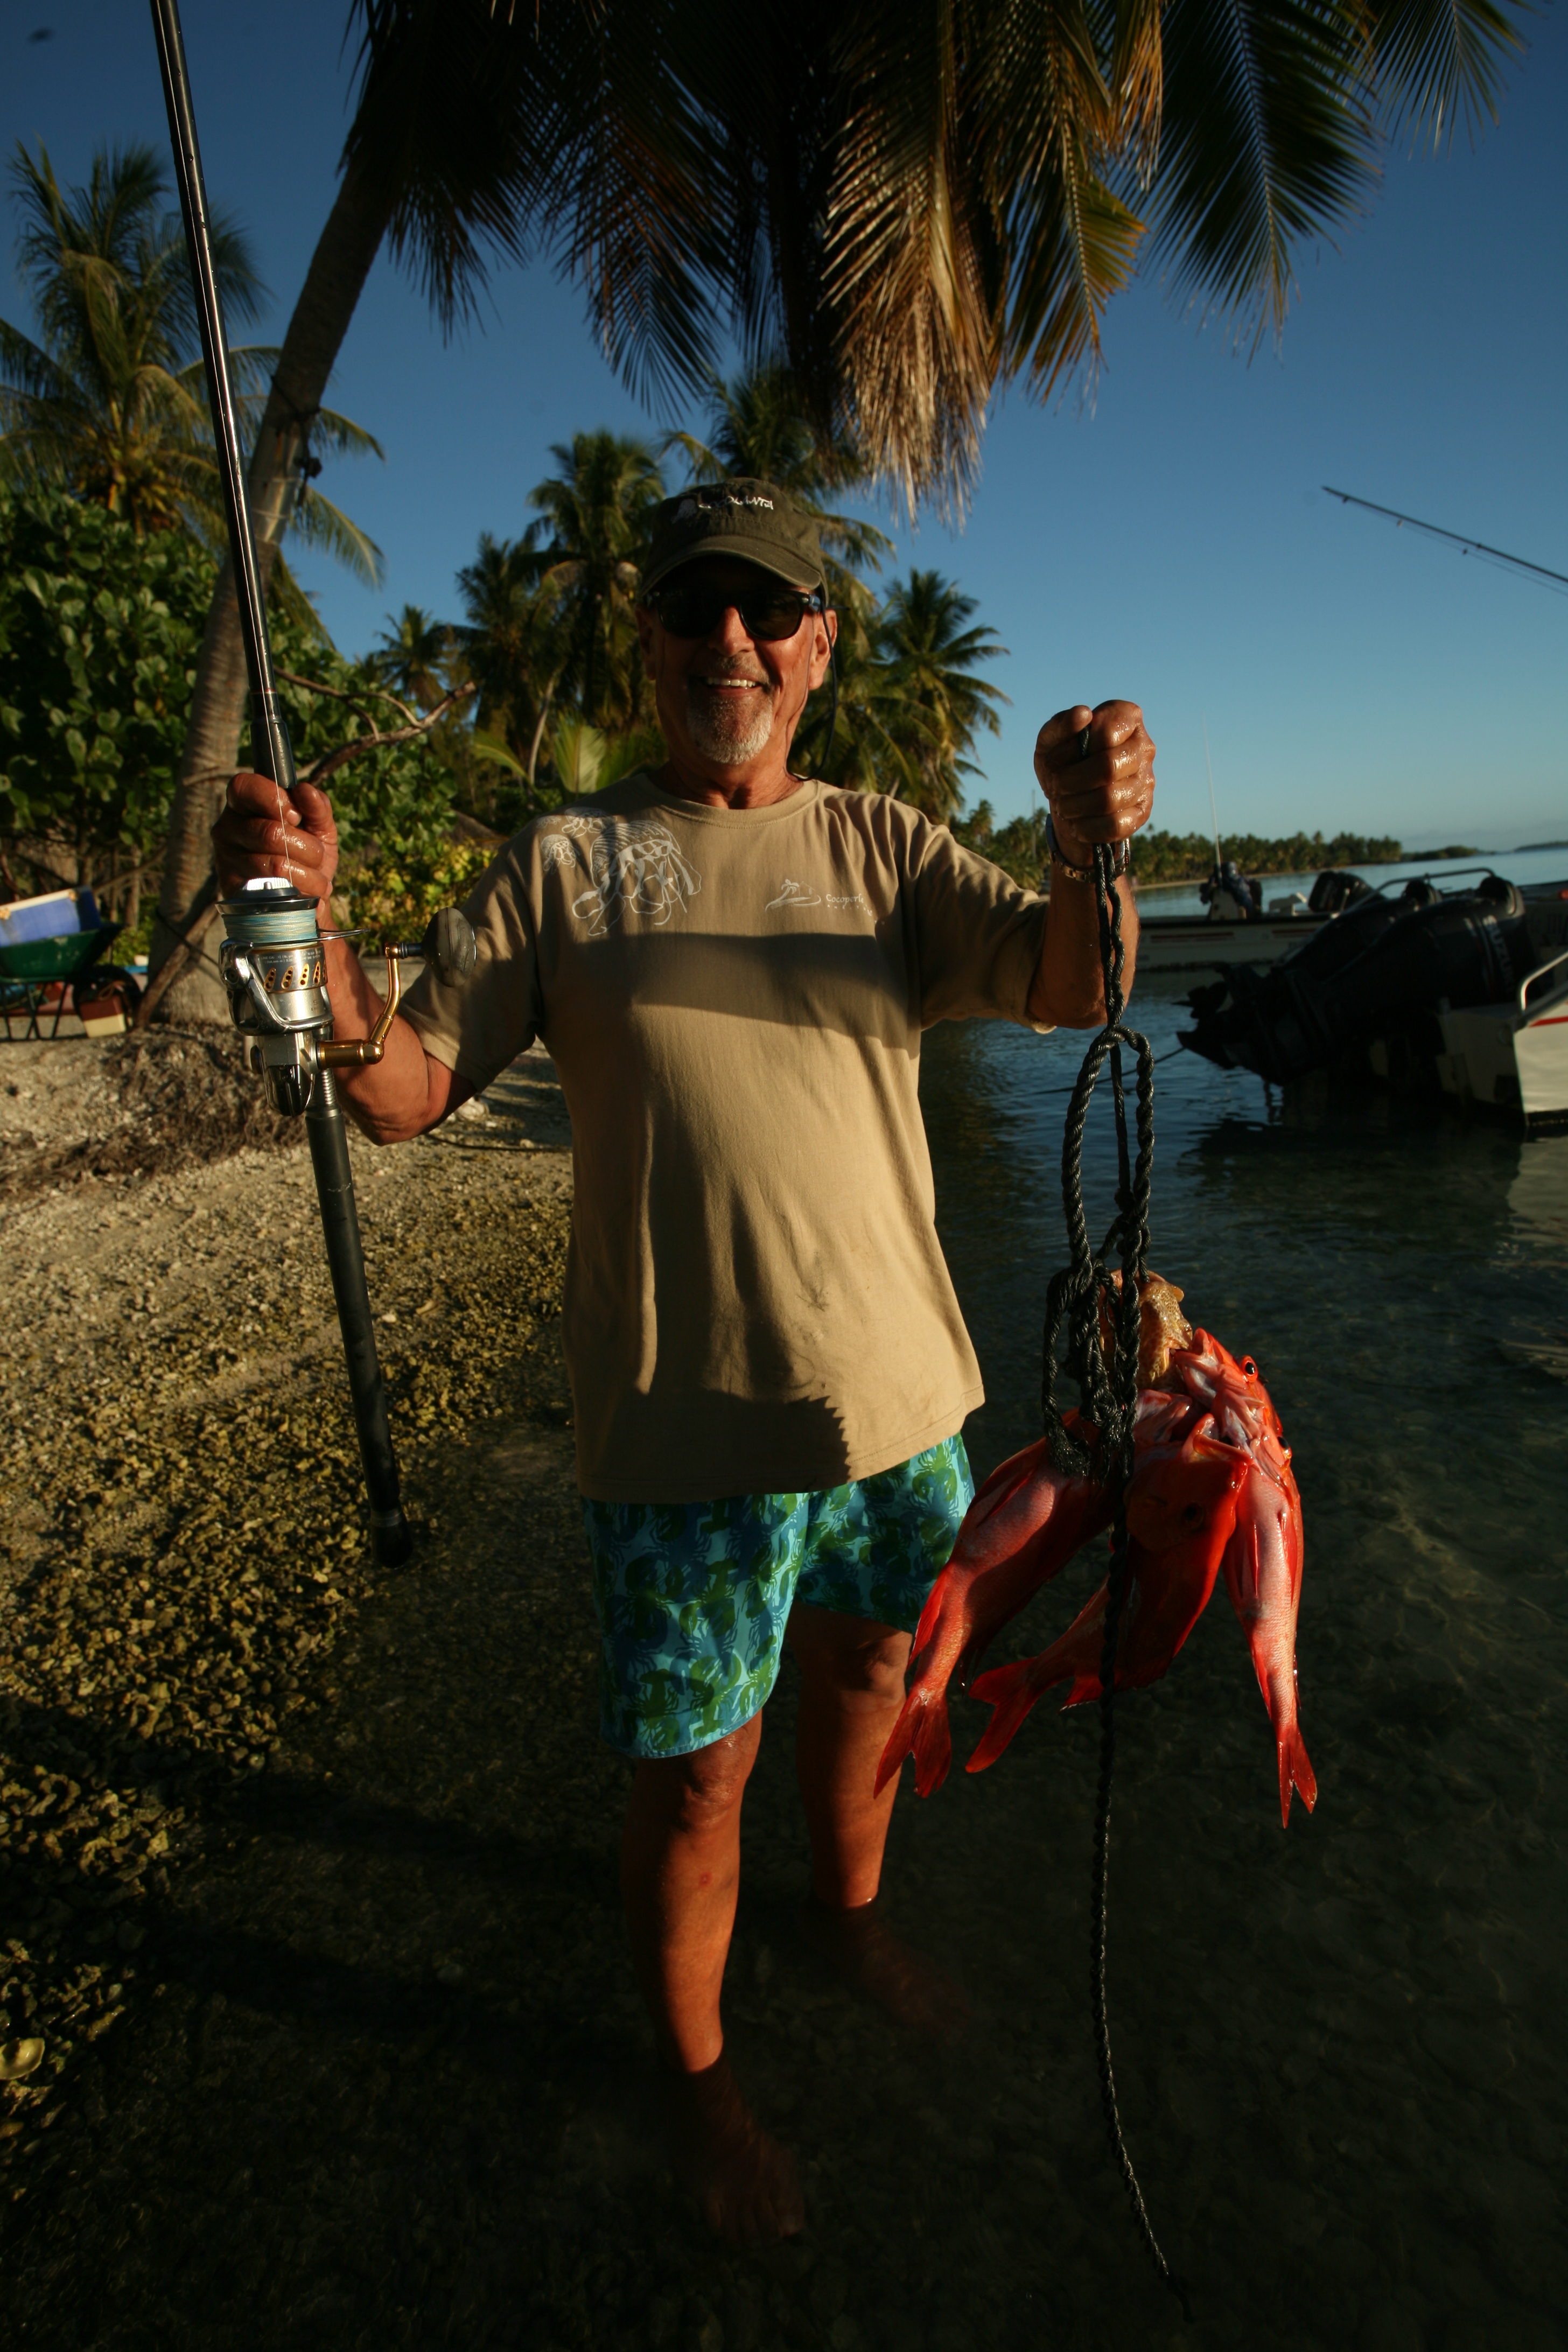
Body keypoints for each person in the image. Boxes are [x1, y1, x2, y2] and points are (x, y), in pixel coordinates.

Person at [213, 478, 1156, 2244]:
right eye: (693, 607)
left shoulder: (883, 847)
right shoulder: (563, 866)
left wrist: (1088, 842)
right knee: (700, 1773)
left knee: (877, 1682)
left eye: (766, 608)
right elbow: (403, 1088)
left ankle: (849, 1923)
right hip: (678, 1434)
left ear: (819, 646)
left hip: (900, 1407)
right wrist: (302, 929)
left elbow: (1072, 988)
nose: (731, 637)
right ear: (644, 639)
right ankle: (697, 2080)